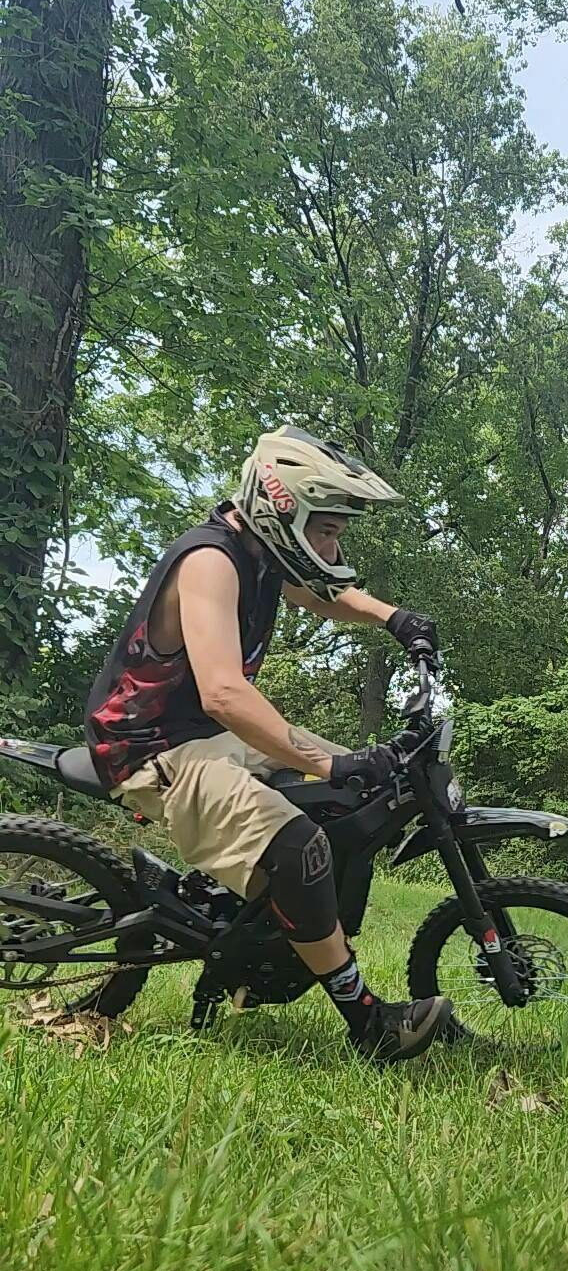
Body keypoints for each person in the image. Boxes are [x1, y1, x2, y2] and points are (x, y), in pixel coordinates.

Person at [84, 425, 452, 1063]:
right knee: (300, 842)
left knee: (354, 795)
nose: (335, 544)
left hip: (201, 733)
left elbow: (319, 594)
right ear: (285, 510)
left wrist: (393, 618)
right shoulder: (210, 562)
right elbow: (224, 693)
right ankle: (368, 1024)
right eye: (328, 529)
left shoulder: (259, 554)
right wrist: (328, 758)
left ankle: (265, 952)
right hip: (152, 748)